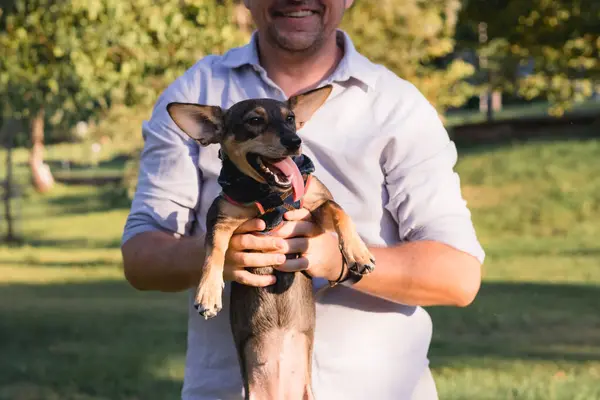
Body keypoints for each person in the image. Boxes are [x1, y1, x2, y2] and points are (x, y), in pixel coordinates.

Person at [121, 1, 485, 399]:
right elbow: (141, 259)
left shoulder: (398, 106)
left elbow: (459, 277)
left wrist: (335, 260)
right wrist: (224, 254)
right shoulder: (196, 91)